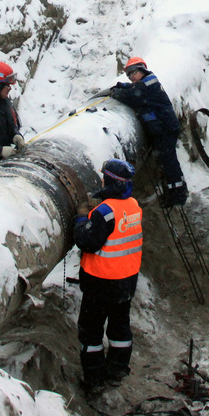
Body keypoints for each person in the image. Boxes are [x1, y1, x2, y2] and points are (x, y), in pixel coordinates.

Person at [74, 159, 143, 394]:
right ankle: (118, 369)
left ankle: (93, 378)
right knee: (120, 327)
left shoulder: (104, 213)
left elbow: (87, 242)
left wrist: (83, 218)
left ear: (110, 182)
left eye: (104, 178)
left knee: (91, 331)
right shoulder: (133, 205)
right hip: (126, 282)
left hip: (100, 283)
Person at [109, 56, 186, 206]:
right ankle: (172, 190)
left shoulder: (147, 84)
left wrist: (117, 92)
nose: (131, 77)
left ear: (142, 69)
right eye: (128, 75)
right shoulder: (146, 82)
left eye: (133, 73)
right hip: (162, 128)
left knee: (169, 161)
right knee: (166, 161)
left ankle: (178, 194)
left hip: (165, 128)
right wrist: (122, 86)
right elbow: (133, 89)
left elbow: (131, 95)